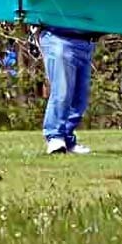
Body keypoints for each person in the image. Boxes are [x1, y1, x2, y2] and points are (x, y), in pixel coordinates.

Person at [39, 25, 103, 154]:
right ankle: (55, 137)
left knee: (80, 98)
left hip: (86, 42)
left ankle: (67, 139)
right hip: (58, 37)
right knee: (62, 92)